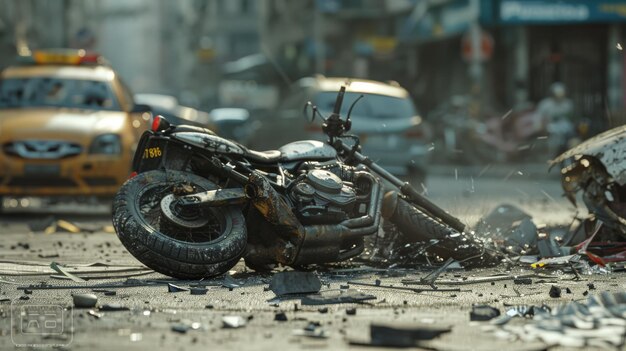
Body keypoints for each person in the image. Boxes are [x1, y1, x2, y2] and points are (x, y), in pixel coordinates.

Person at [537, 82, 575, 155]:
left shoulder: (568, 104)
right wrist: (541, 127)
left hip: (565, 127)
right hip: (550, 126)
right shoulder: (545, 104)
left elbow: (570, 118)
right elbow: (539, 118)